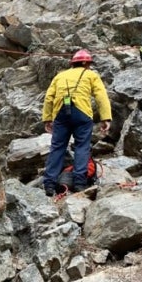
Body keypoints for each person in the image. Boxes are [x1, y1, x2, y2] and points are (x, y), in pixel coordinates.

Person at [41, 50, 112, 196]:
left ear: (73, 63)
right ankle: (79, 183)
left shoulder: (60, 76)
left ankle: (49, 184)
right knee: (82, 146)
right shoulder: (91, 75)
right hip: (82, 113)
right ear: (85, 63)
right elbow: (101, 96)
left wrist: (47, 118)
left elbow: (49, 97)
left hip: (61, 113)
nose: (90, 67)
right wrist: (106, 118)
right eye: (89, 64)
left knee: (57, 147)